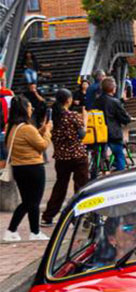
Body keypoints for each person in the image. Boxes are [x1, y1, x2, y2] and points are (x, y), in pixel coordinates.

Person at [3, 96, 51, 242]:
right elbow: (42, 145)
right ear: (24, 110)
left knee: (27, 202)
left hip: (19, 168)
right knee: (34, 202)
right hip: (33, 168)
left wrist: (41, 130)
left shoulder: (11, 127)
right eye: (30, 107)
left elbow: (29, 140)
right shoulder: (27, 128)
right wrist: (48, 131)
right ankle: (34, 232)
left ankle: (12, 230)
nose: (31, 110)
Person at [41, 89, 89, 226]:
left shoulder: (52, 117)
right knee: (81, 187)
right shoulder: (72, 116)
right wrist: (85, 120)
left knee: (60, 186)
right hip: (77, 155)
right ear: (68, 100)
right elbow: (82, 135)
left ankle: (48, 216)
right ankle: (78, 215)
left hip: (61, 157)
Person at [99, 77, 131, 172]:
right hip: (113, 133)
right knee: (119, 155)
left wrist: (121, 100)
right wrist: (128, 119)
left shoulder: (97, 101)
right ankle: (121, 176)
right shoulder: (114, 102)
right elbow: (123, 117)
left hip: (100, 133)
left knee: (102, 154)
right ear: (113, 88)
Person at [21, 53, 45, 125]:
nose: (33, 88)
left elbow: (42, 100)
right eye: (32, 87)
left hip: (37, 110)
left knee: (34, 75)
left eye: (34, 86)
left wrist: (36, 93)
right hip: (30, 109)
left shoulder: (38, 92)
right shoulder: (26, 93)